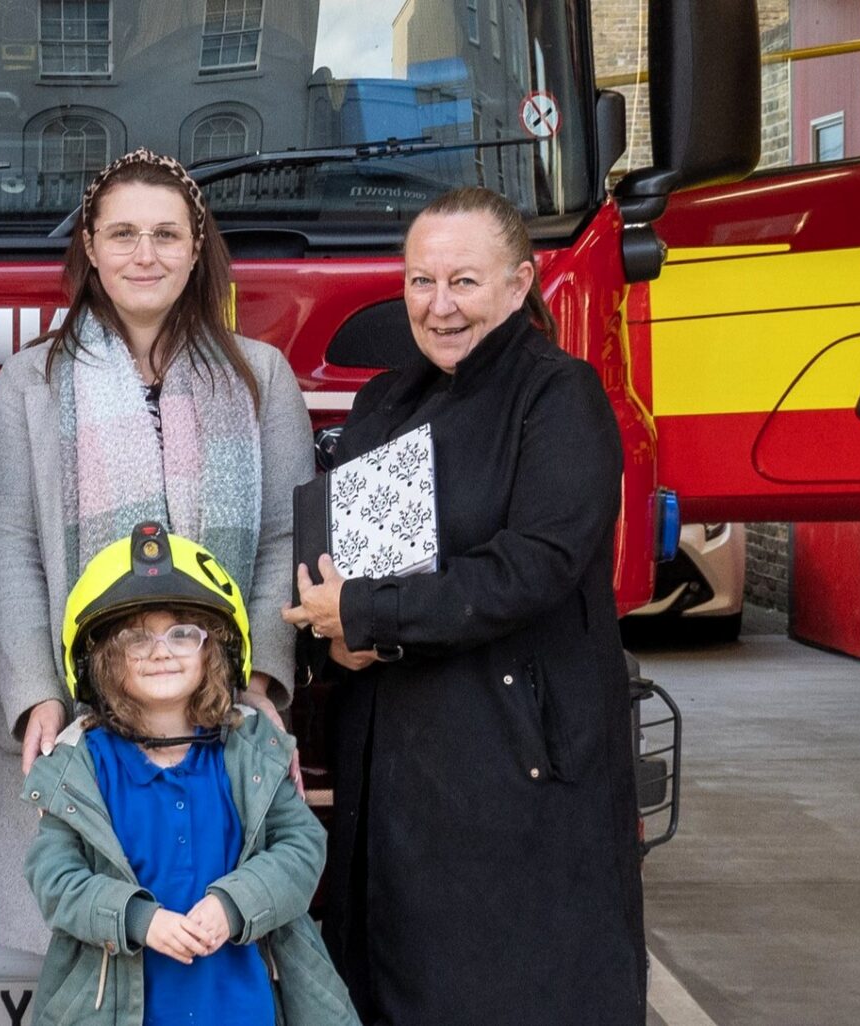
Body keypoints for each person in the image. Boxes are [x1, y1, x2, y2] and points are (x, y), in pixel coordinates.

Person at [282, 186, 646, 1026]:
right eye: (420, 282)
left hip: (515, 773)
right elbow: (338, 570)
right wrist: (329, 638)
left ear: (520, 286)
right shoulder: (381, 404)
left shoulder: (561, 397)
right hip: (393, 773)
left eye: (464, 283)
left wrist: (367, 615)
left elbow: (533, 566)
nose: (438, 306)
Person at [0, 147, 314, 954]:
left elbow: (282, 543)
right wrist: (36, 697)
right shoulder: (28, 383)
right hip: (76, 714)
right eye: (122, 233)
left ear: (198, 248)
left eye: (166, 234)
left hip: (218, 716)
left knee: (211, 943)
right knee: (92, 954)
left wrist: (262, 677)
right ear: (89, 246)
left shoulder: (262, 376)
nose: (144, 253)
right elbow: (8, 550)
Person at [22, 523, 358, 1026]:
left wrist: (235, 905)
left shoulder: (250, 753)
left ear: (213, 650)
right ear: (105, 661)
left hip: (242, 1009)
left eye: (183, 633)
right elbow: (55, 878)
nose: (162, 651)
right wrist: (138, 920)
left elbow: (302, 849)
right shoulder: (82, 765)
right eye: (138, 638)